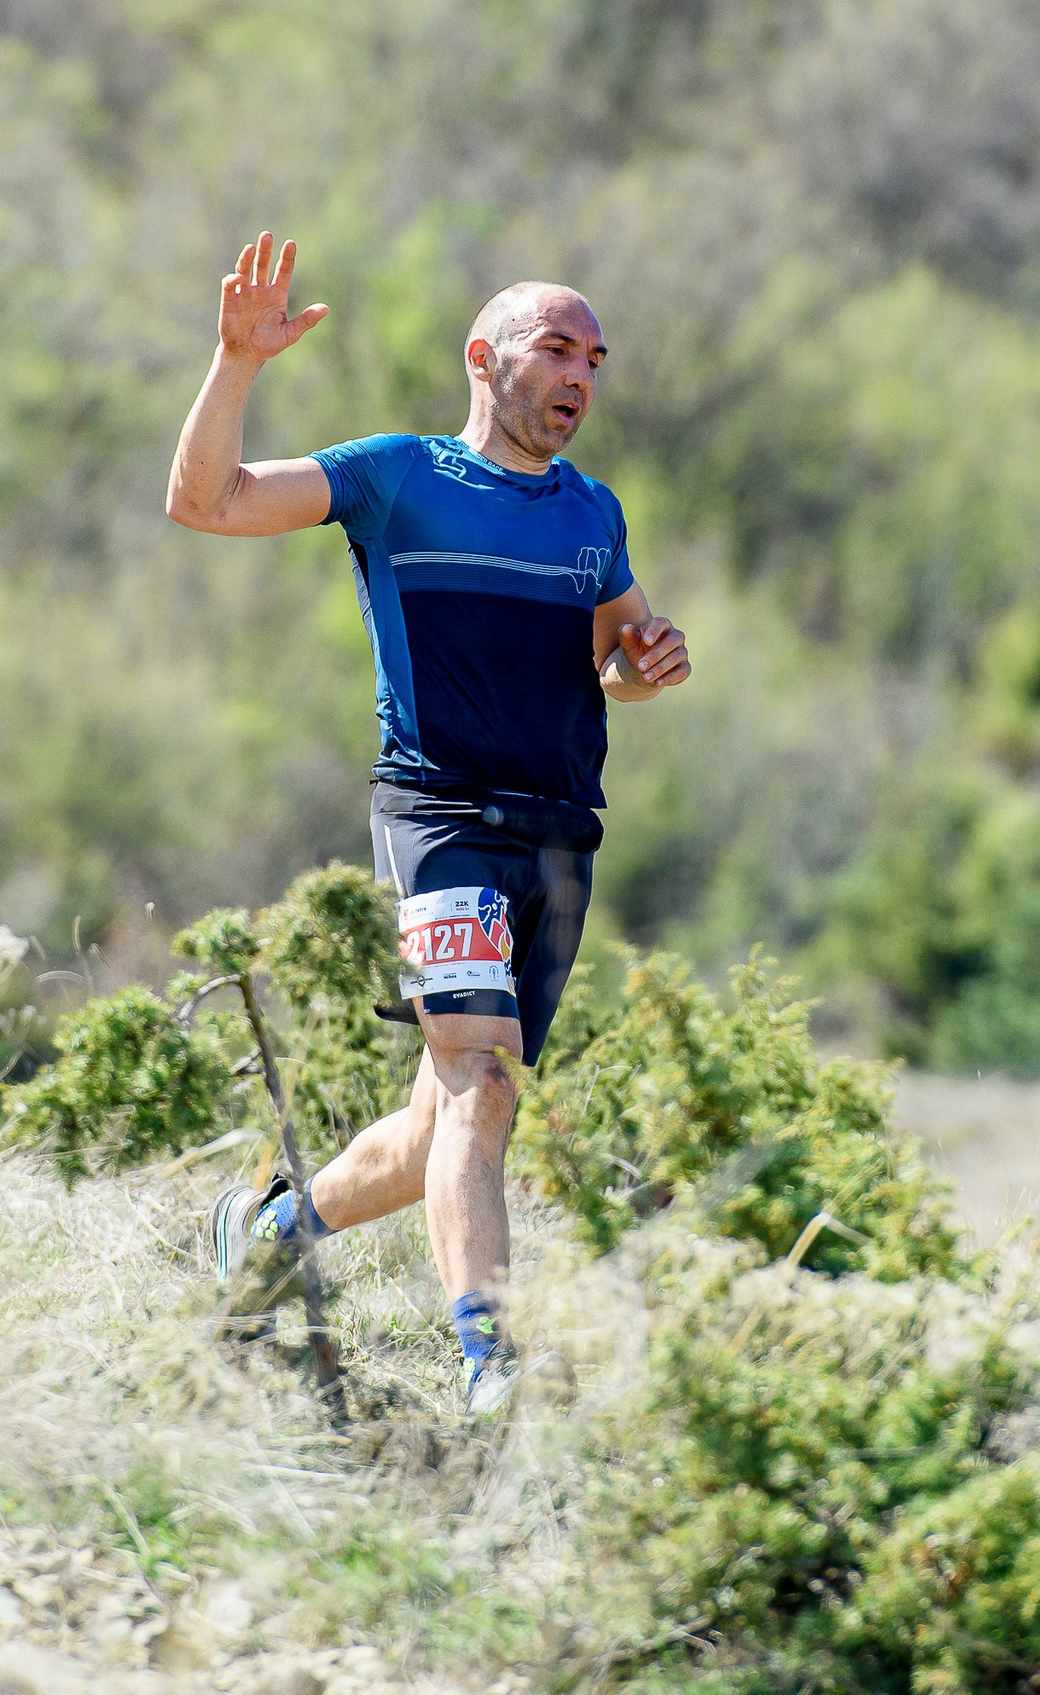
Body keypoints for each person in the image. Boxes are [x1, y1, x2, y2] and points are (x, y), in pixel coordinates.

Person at [165, 231, 690, 1413]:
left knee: (438, 1124)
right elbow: (206, 503)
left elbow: (621, 656)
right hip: (439, 814)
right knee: (480, 1081)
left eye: (596, 360)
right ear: (483, 359)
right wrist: (236, 365)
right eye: (557, 349)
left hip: (558, 834)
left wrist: (647, 666)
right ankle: (487, 1360)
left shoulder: (593, 514)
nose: (581, 378)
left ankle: (265, 1226)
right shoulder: (396, 476)